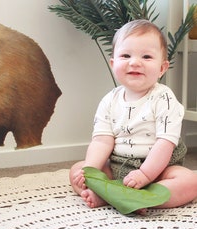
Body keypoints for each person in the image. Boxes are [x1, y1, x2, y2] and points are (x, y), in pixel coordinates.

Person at [70, 19, 197, 211]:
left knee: (190, 181)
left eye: (146, 57)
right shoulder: (109, 100)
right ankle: (115, 195)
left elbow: (165, 143)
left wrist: (145, 175)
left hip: (159, 169)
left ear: (162, 68)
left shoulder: (164, 98)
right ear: (113, 64)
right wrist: (92, 169)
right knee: (77, 171)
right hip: (117, 166)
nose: (135, 62)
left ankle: (135, 196)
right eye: (126, 55)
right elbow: (102, 141)